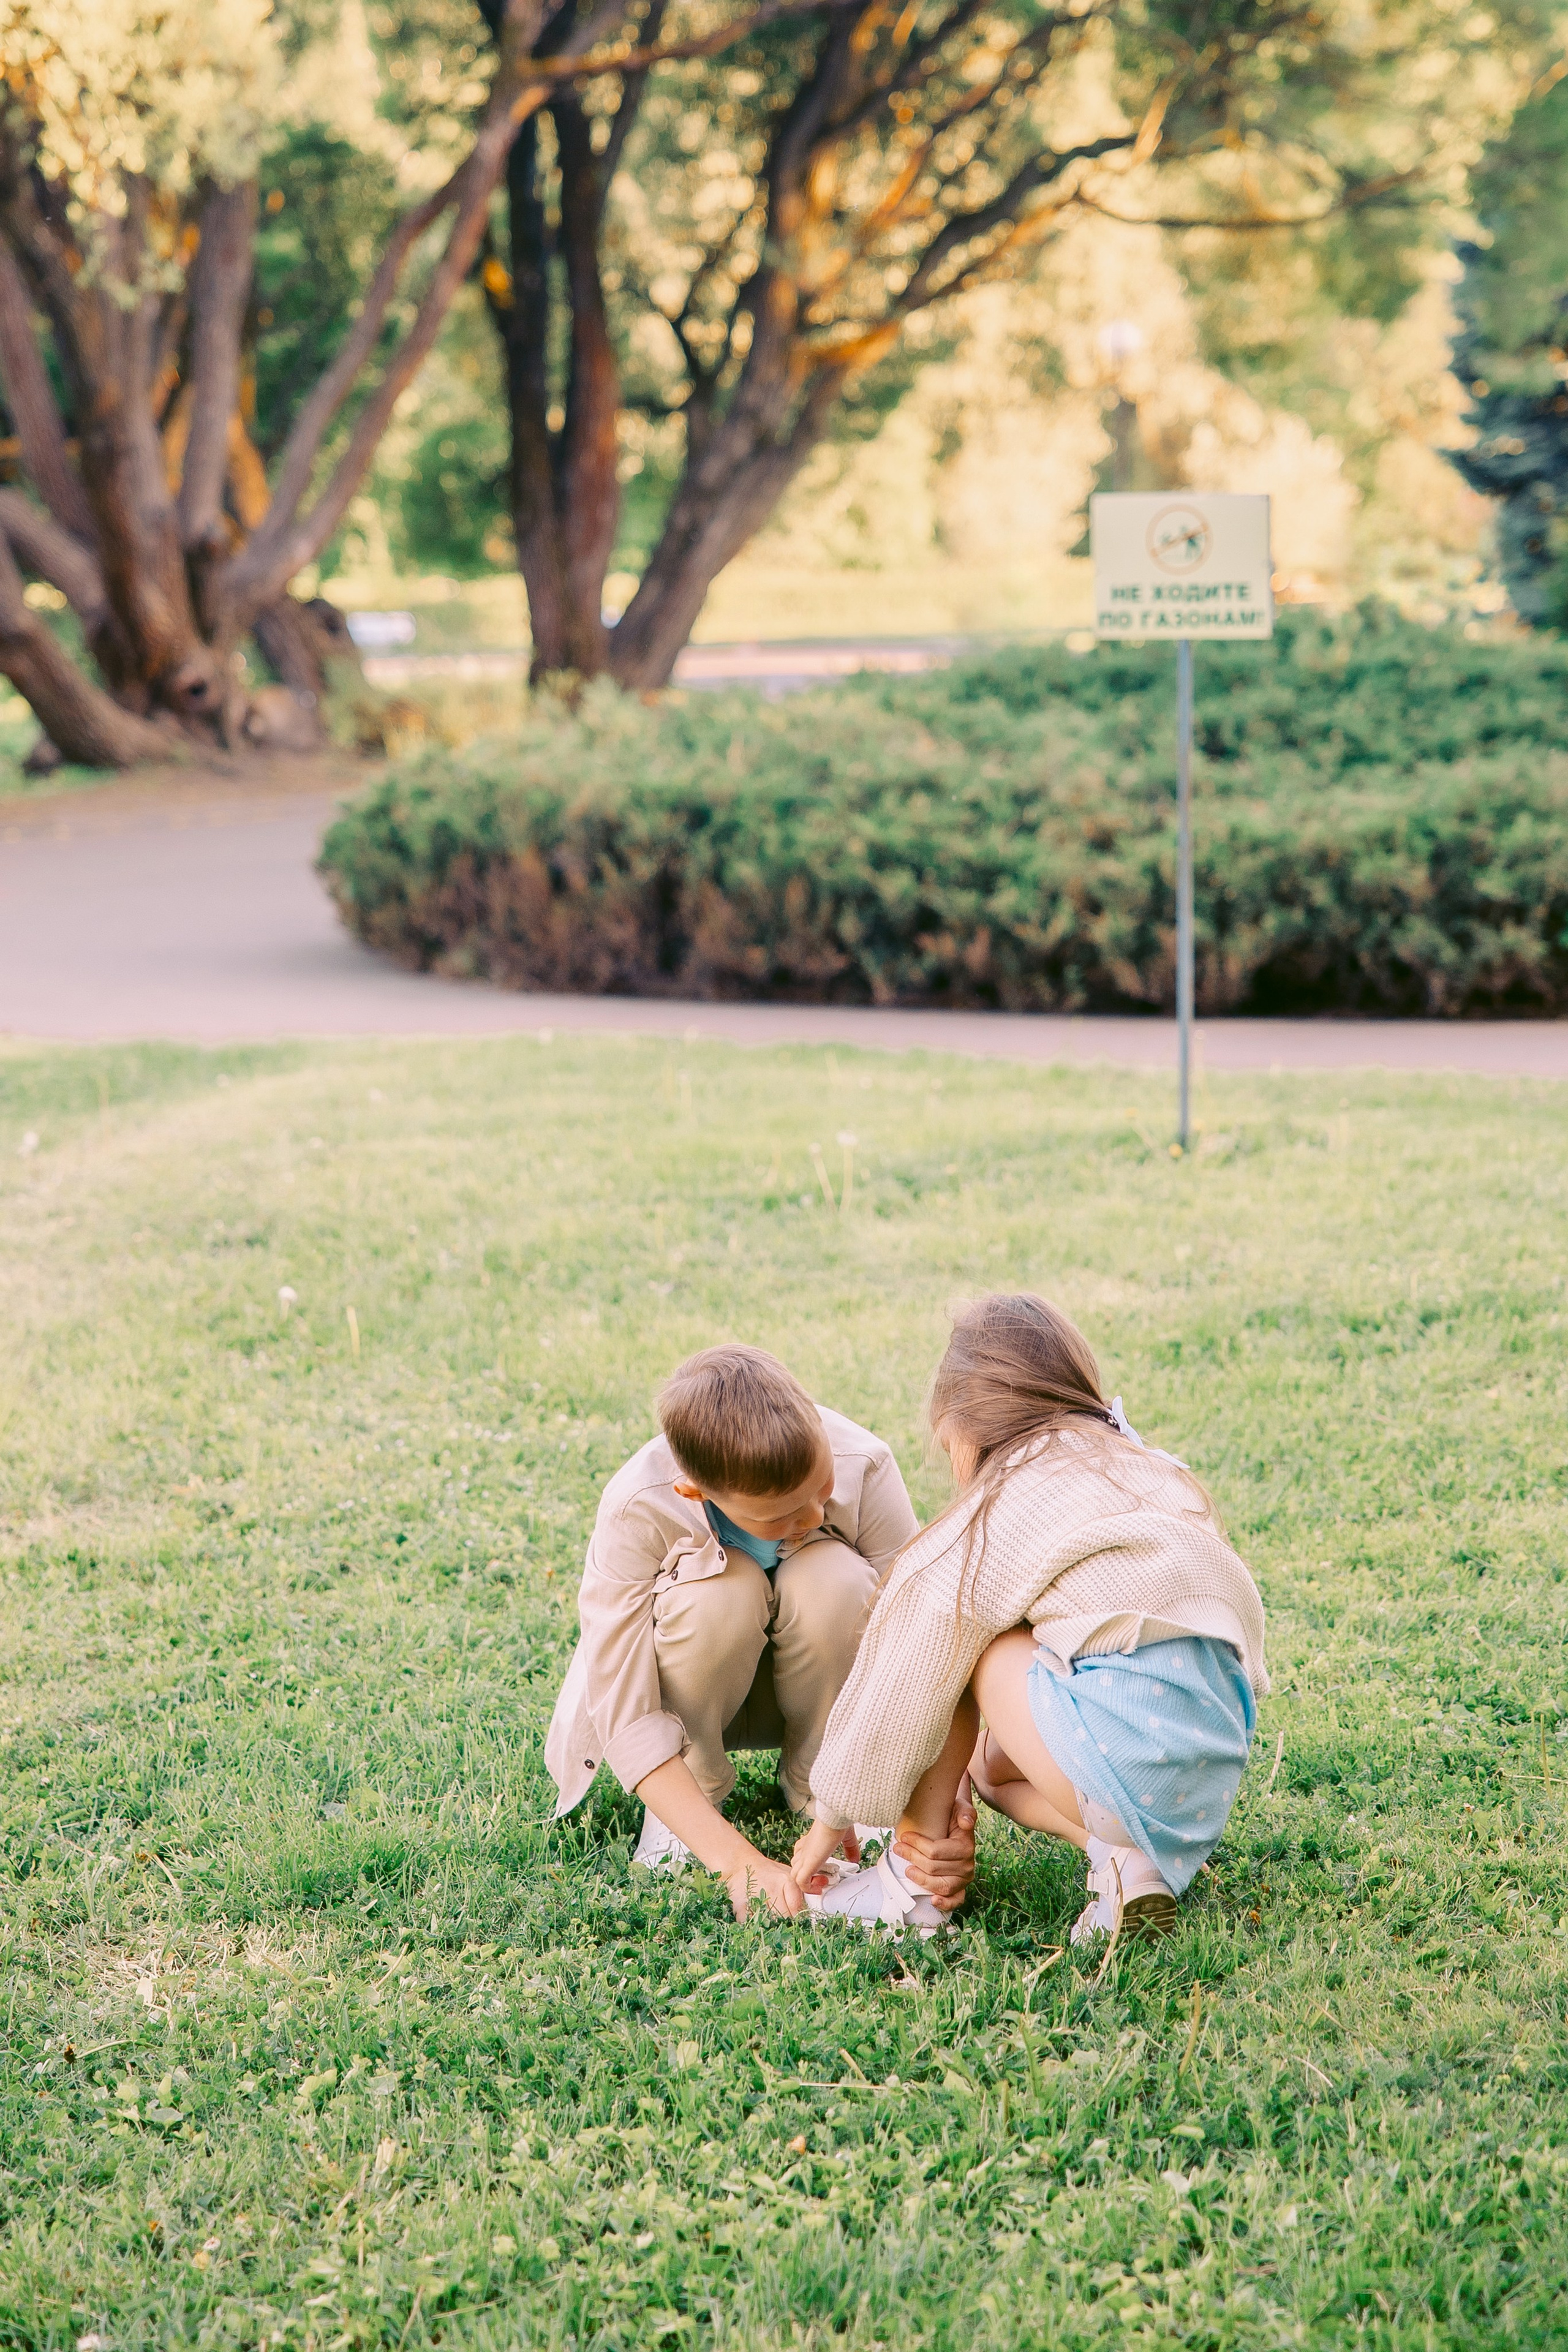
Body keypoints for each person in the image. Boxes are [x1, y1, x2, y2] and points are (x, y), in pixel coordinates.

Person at [791, 1293, 1268, 1941]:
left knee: (958, 1641)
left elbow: (910, 1662)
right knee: (989, 1770)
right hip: (1208, 1771)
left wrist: (834, 1813)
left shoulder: (1010, 1496)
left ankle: (911, 1891)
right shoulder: (1149, 1471)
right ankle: (1128, 1865)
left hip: (1119, 1760)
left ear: (965, 1429)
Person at [545, 1342, 978, 1920]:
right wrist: (735, 1863)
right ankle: (690, 1802)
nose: (814, 1517)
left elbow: (926, 1643)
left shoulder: (864, 1461)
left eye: (822, 1488)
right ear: (694, 1491)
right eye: (780, 1515)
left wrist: (946, 1808)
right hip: (695, 1691)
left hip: (826, 1688)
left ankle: (825, 1786)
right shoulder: (637, 1507)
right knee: (720, 1592)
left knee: (836, 1578)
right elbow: (625, 1709)